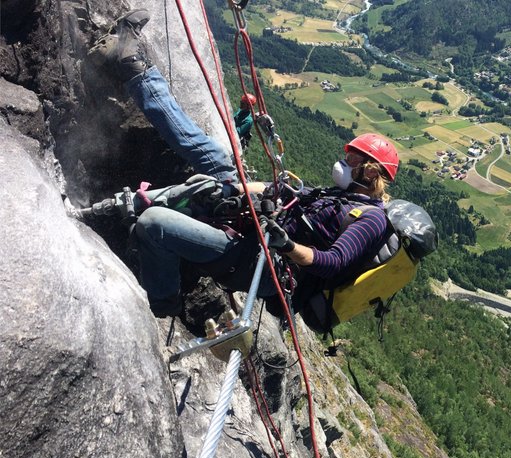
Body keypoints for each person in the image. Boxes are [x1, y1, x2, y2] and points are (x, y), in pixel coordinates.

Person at [90, 10, 400, 318]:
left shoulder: (372, 220)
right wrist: (234, 188)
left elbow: (332, 262)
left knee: (154, 224)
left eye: (351, 159)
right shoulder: (339, 196)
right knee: (212, 156)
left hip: (263, 266)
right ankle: (133, 68)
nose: (343, 162)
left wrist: (285, 244)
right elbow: (279, 190)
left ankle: (164, 302)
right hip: (258, 229)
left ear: (370, 170)